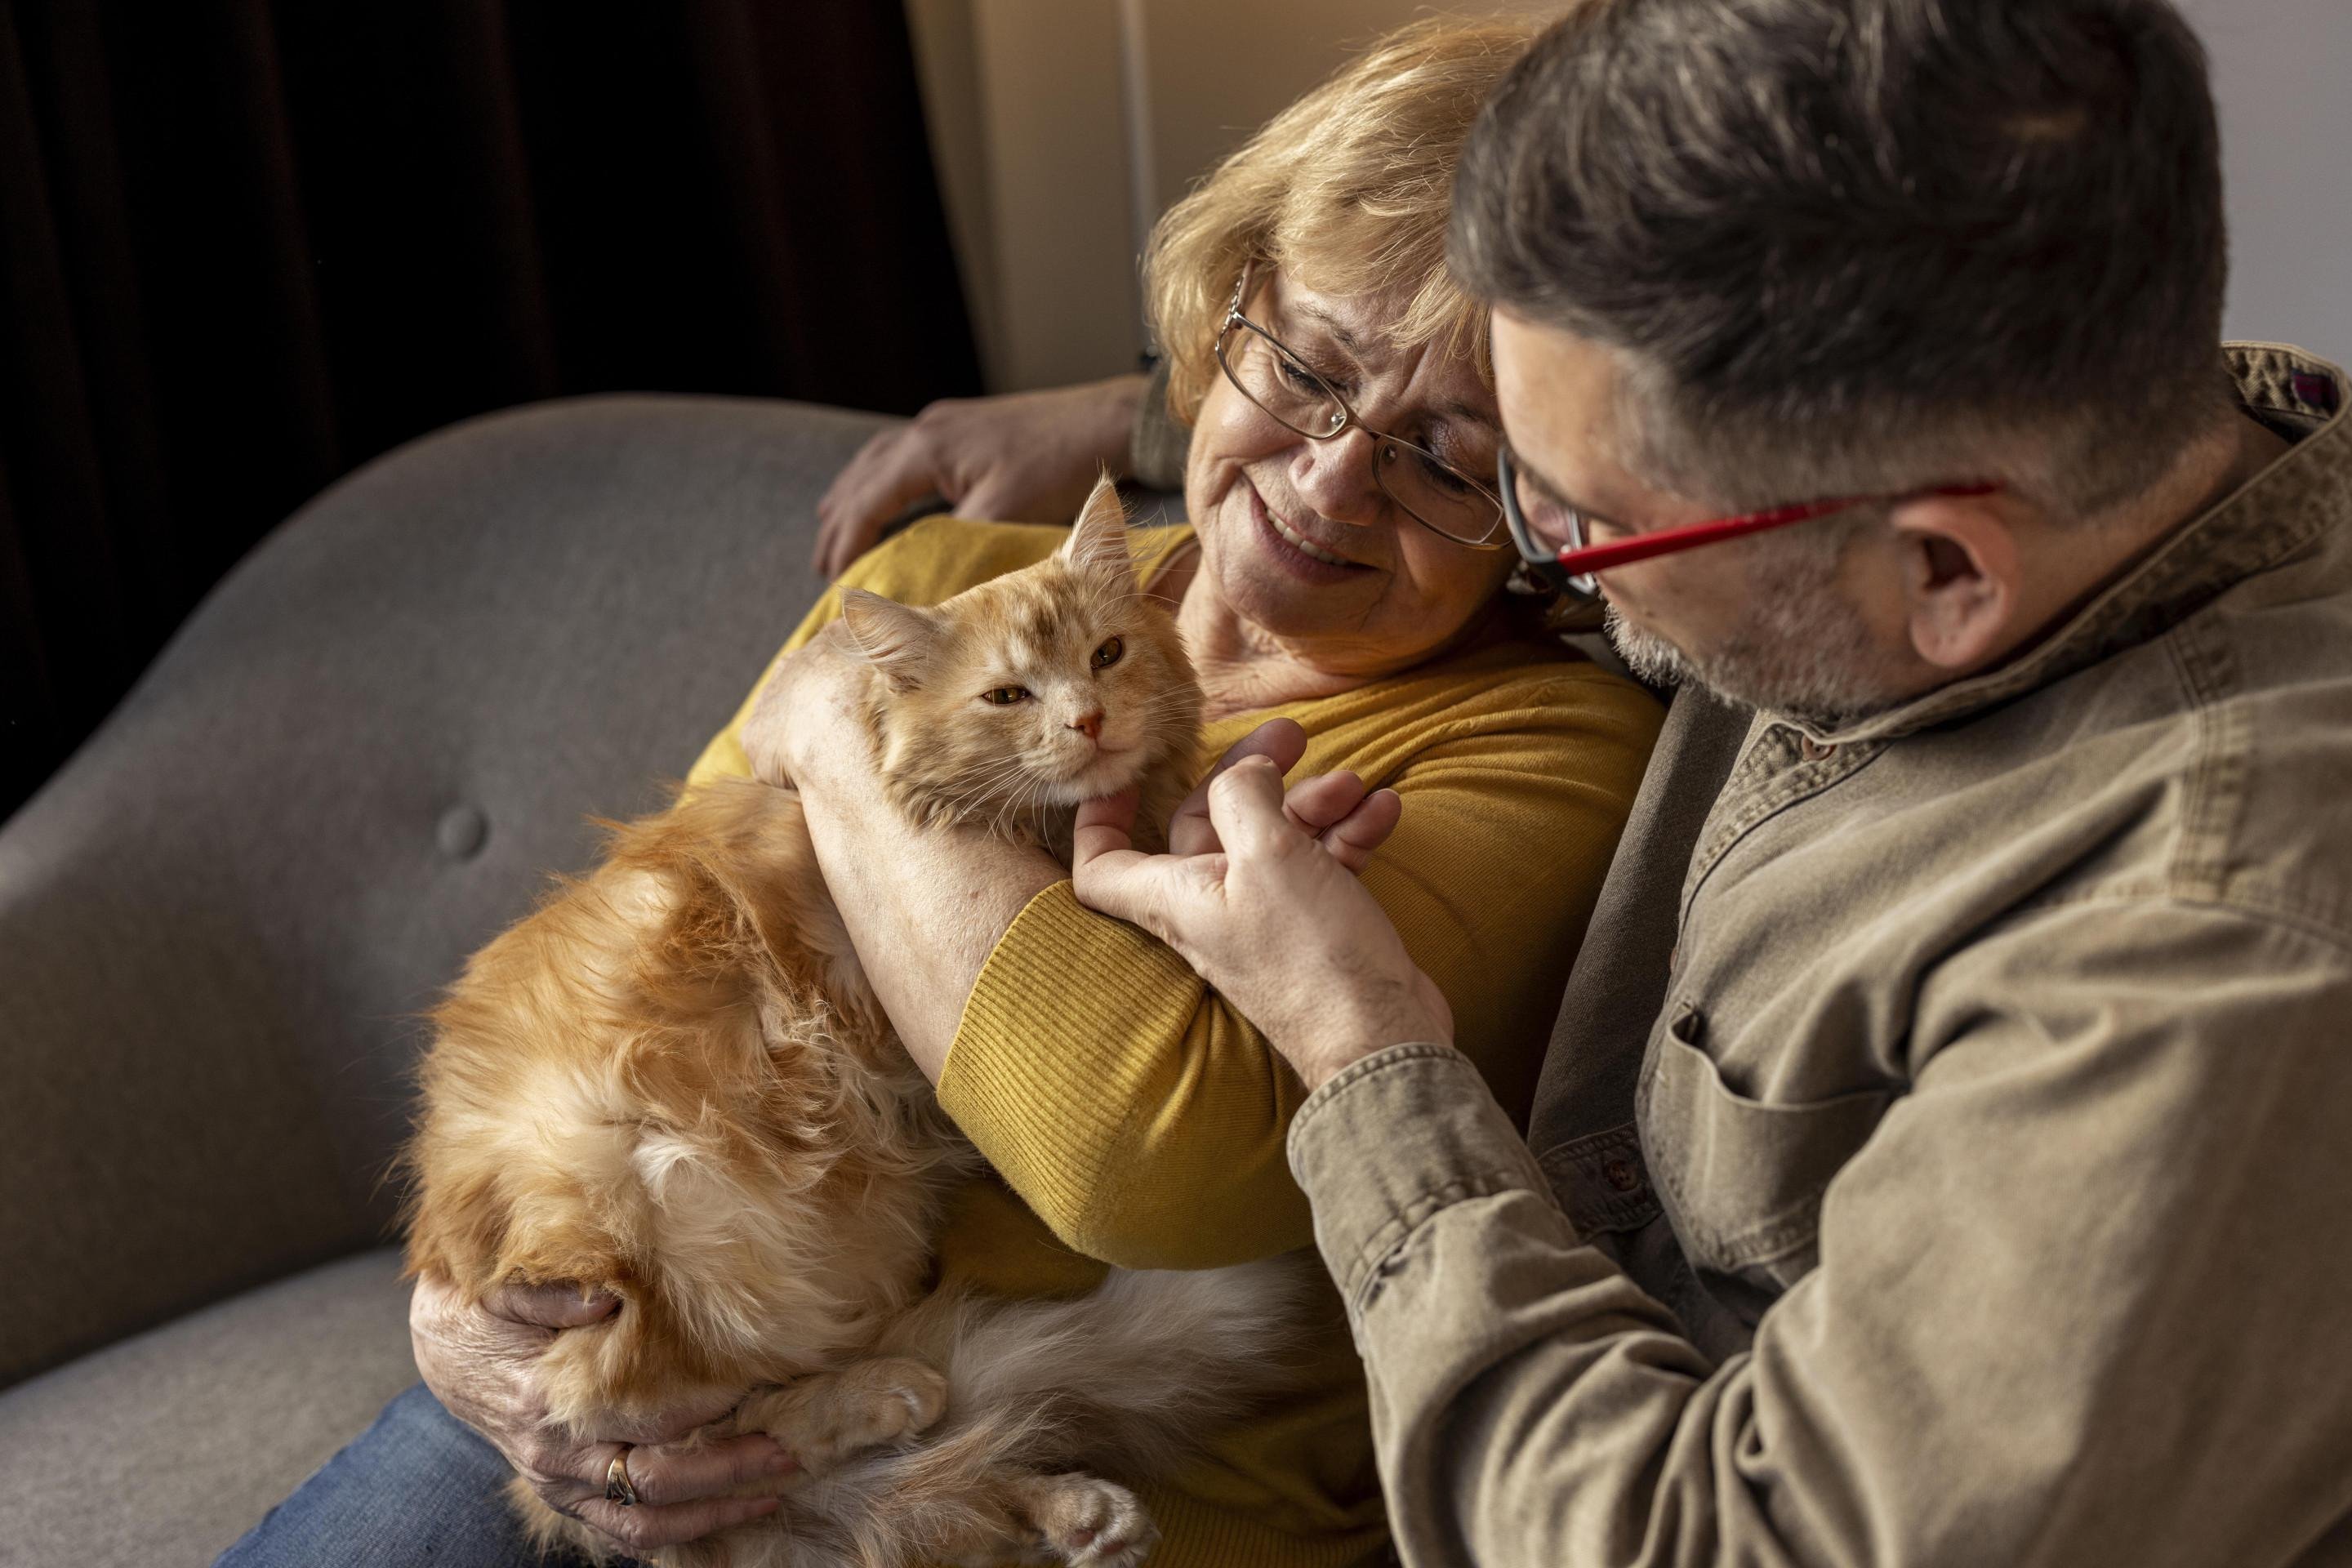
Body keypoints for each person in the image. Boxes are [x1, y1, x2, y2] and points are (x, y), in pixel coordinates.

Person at [217, 17, 1666, 1568]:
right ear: (1228, 312)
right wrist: (469, 1315)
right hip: (662, 1361)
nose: (1326, 480)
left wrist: (844, 742)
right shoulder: (928, 583)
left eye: (1445, 460)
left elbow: (1140, 1158)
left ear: (1552, 497)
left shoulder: (1549, 748)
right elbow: (634, 975)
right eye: (1305, 367)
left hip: (1065, 1482)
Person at [1060, 0, 2352, 1563]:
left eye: (1571, 517)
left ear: (1944, 577)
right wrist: (1158, 412)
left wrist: (1360, 1048)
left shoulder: (2207, 954)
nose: (1548, 561)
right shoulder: (2032, 422)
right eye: (1504, 464)